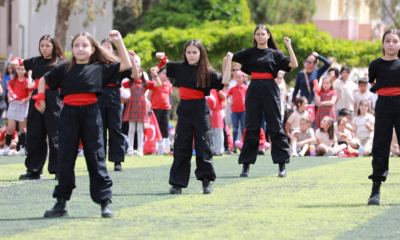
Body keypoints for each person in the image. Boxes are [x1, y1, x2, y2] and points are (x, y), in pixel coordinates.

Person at [35, 30, 132, 218]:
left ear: (93, 48)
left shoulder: (100, 68)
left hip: (92, 115)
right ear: (72, 48)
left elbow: (127, 64)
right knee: (65, 159)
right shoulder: (63, 68)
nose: (80, 49)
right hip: (68, 114)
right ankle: (61, 204)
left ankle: (105, 203)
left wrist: (119, 40)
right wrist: (41, 99)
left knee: (96, 158)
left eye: (85, 45)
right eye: (77, 45)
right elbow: (43, 79)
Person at [156, 39, 230, 194]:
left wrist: (228, 62)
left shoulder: (208, 72)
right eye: (188, 52)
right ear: (185, 53)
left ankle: (206, 182)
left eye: (194, 52)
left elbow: (224, 81)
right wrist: (161, 58)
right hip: (184, 109)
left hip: (200, 108)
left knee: (204, 145)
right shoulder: (178, 67)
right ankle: (177, 184)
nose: (191, 55)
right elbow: (164, 64)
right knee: (181, 145)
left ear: (200, 53)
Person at [228, 24, 298, 178]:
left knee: (275, 126)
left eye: (262, 34)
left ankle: (282, 165)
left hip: (270, 88)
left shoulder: (275, 54)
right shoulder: (249, 52)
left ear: (268, 36)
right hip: (253, 89)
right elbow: (231, 56)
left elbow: (294, 64)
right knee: (251, 127)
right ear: (254, 37)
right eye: (257, 34)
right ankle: (245, 166)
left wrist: (289, 45)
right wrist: (227, 65)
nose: (260, 36)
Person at [11, 35, 66, 180]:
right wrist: (15, 60)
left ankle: (59, 169)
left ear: (54, 46)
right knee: (35, 133)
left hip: (54, 98)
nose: (44, 49)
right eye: (42, 46)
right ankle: (33, 169)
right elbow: (20, 62)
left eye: (47, 45)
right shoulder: (35, 61)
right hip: (36, 97)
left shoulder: (62, 62)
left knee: (55, 133)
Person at [367, 29, 400, 205]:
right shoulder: (375, 65)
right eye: (387, 41)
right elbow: (373, 83)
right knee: (380, 145)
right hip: (383, 105)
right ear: (382, 44)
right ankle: (375, 190)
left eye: (395, 41)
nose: (391, 44)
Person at [97, 38, 127, 171]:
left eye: (108, 47)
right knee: (99, 129)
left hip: (114, 94)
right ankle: (99, 159)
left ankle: (117, 161)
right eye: (102, 47)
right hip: (98, 94)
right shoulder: (95, 64)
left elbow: (132, 73)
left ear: (113, 50)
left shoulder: (118, 64)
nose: (105, 49)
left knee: (115, 128)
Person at [122, 66, 161, 156]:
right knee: (131, 128)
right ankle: (130, 149)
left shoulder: (145, 83)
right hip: (132, 106)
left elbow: (158, 84)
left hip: (141, 106)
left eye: (139, 72)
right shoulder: (129, 82)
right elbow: (120, 85)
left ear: (142, 73)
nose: (137, 74)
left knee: (140, 129)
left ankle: (140, 149)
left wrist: (155, 74)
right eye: (135, 72)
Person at [3, 66, 33, 155]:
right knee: (10, 129)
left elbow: (30, 95)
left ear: (25, 71)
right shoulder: (13, 80)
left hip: (23, 104)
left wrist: (24, 100)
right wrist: (9, 98)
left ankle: (23, 149)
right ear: (16, 70)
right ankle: (7, 148)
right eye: (19, 69)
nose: (20, 71)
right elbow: (9, 91)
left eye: (22, 69)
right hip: (13, 104)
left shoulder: (27, 81)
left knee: (22, 129)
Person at [147, 66, 173, 153]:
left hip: (166, 109)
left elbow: (169, 96)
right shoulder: (154, 83)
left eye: (168, 74)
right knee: (156, 127)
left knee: (165, 127)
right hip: (156, 109)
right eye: (164, 73)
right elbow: (148, 96)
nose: (166, 75)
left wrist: (169, 104)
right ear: (159, 74)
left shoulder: (169, 85)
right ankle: (155, 145)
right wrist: (155, 103)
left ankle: (165, 146)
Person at [227, 70, 247, 153]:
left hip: (243, 111)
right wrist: (229, 102)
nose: (238, 79)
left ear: (243, 78)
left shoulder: (246, 88)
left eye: (240, 77)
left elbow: (249, 98)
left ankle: (243, 145)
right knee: (235, 129)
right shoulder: (232, 88)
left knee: (243, 128)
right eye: (236, 77)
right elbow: (226, 96)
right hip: (234, 111)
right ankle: (234, 147)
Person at [207, 88, 226, 156]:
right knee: (210, 132)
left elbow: (224, 97)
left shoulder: (219, 86)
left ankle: (219, 150)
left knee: (218, 132)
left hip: (217, 112)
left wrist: (218, 90)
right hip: (208, 112)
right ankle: (212, 149)